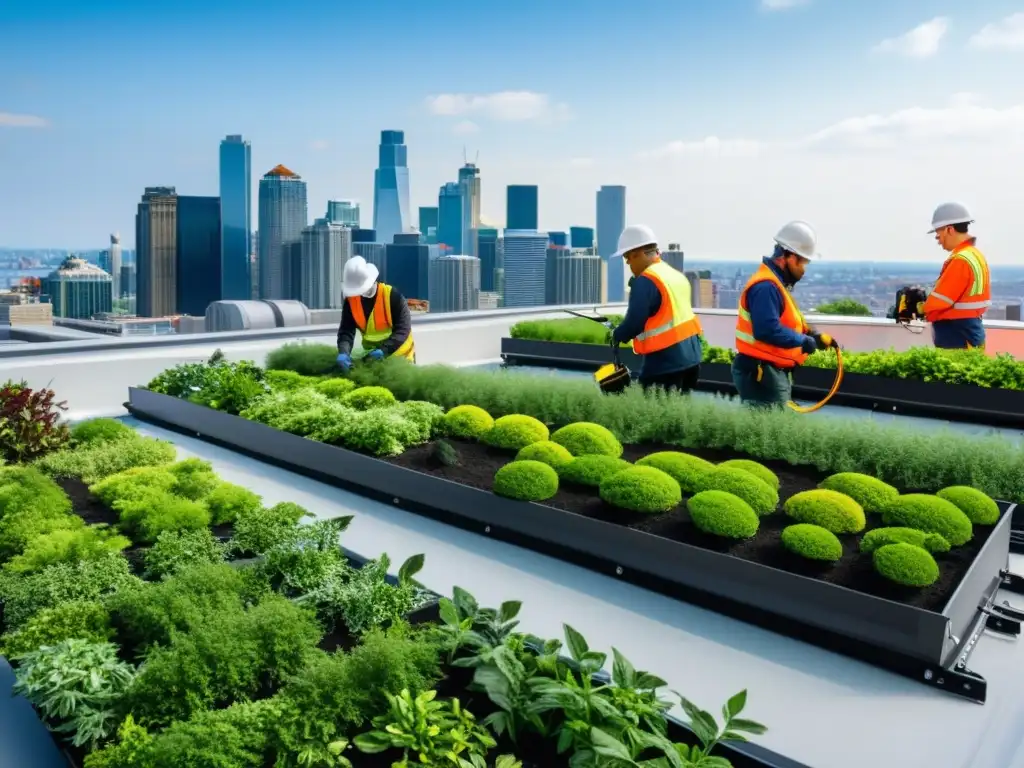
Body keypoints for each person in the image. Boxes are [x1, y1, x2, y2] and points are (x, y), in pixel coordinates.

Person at [732, 220, 837, 408]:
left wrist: (811, 334)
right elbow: (767, 330)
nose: (803, 270)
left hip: (769, 371)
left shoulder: (775, 284)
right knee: (768, 430)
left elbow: (787, 322)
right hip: (761, 373)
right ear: (787, 257)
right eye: (802, 262)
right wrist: (803, 341)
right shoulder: (765, 286)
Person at [607, 224, 703, 393]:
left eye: (628, 257)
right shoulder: (672, 274)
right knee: (677, 412)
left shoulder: (646, 281)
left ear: (639, 253)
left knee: (650, 413)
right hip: (692, 359)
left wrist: (616, 334)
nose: (628, 263)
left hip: (665, 363)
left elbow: (634, 324)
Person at [918, 202, 990, 349]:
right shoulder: (975, 255)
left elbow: (942, 299)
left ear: (949, 229)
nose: (938, 241)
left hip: (957, 332)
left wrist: (921, 308)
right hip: (970, 329)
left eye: (938, 235)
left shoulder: (960, 260)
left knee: (953, 370)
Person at [336, 256, 415, 371]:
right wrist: (343, 352)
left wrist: (384, 350)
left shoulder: (392, 296)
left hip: (400, 356)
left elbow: (403, 329)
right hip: (372, 357)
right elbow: (346, 331)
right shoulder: (351, 301)